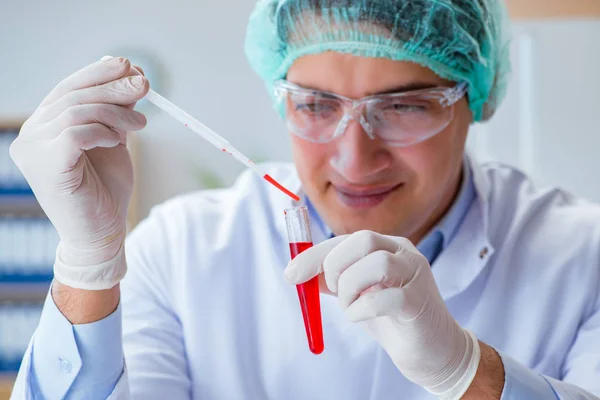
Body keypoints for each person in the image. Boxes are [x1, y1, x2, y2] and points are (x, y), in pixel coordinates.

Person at [8, 0, 600, 399]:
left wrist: (468, 372)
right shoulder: (178, 250)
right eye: (316, 105)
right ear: (280, 96)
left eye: (402, 106)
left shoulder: (584, 255)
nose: (353, 159)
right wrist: (87, 265)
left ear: (477, 96)